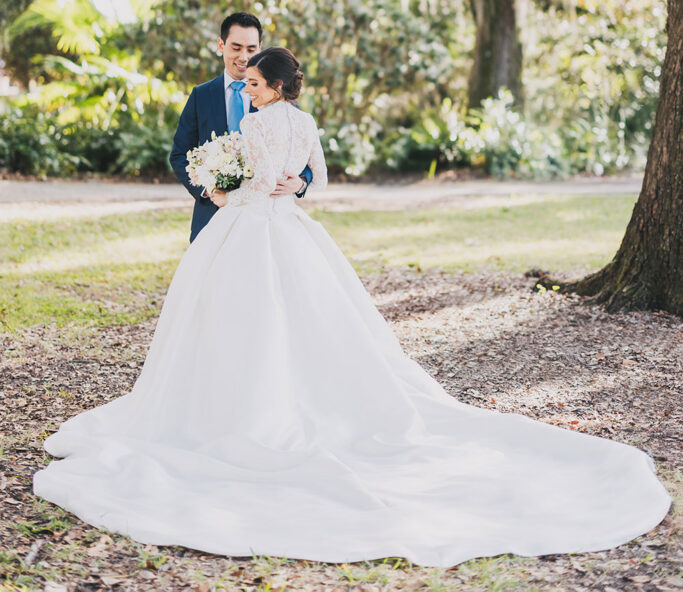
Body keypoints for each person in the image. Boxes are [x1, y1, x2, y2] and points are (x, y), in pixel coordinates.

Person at [34, 48, 670, 567]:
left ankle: (237, 405)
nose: (247, 88)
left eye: (254, 81)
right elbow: (320, 178)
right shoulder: (305, 123)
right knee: (312, 319)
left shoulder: (256, 124)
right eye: (246, 80)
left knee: (240, 320)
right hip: (290, 226)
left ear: (277, 86)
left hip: (250, 226)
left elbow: (246, 180)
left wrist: (215, 183)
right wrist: (298, 185)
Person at [169, 11, 312, 241]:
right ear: (221, 45)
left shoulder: (282, 100)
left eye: (251, 49)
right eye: (236, 48)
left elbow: (300, 152)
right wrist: (207, 190)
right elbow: (179, 154)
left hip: (265, 218)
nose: (243, 57)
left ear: (261, 49)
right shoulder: (201, 96)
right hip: (213, 214)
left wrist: (301, 182)